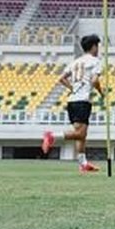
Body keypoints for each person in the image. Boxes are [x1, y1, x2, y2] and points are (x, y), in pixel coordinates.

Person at [42, 34, 105, 173]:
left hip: (73, 100)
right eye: (97, 46)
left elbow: (62, 78)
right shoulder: (96, 61)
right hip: (82, 101)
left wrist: (72, 88)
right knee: (80, 134)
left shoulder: (76, 62)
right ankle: (52, 136)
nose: (98, 49)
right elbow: (94, 81)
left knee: (81, 134)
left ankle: (83, 164)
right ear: (94, 46)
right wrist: (101, 93)